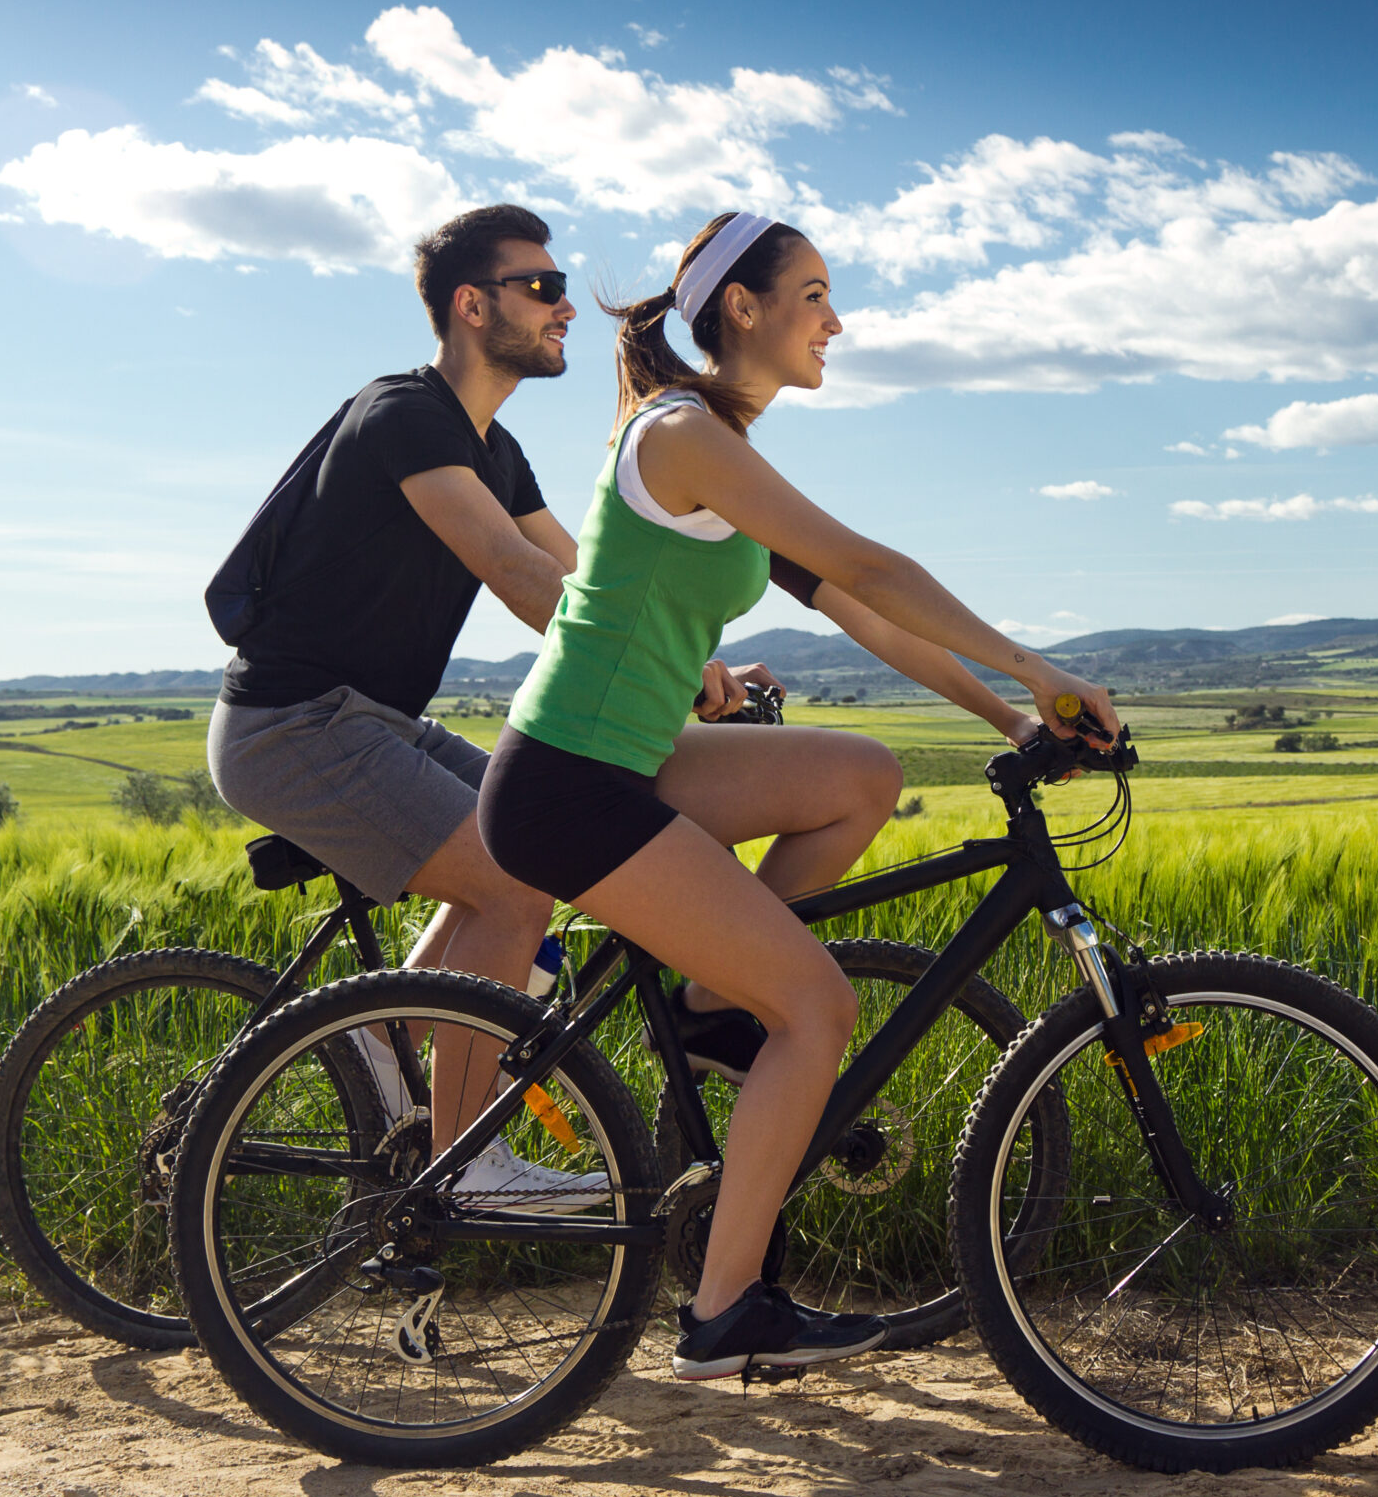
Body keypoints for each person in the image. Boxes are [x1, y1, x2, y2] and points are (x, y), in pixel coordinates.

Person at [477, 210, 1119, 1382]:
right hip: (570, 783)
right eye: (814, 294)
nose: (836, 320)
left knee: (860, 773)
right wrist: (1037, 663)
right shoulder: (684, 436)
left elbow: (861, 610)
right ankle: (725, 1310)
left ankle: (717, 1004)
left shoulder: (726, 452)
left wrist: (1013, 719)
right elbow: (875, 565)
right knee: (819, 1010)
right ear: (744, 307)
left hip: (625, 758)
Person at [205, 203, 608, 1208]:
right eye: (543, 287)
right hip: (295, 726)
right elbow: (515, 569)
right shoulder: (406, 414)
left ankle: (386, 1051)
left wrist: (702, 657)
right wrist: (654, 665)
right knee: (513, 885)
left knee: (545, 840)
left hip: (369, 719)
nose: (566, 308)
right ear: (474, 305)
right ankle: (465, 1158)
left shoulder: (494, 448)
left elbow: (584, 572)